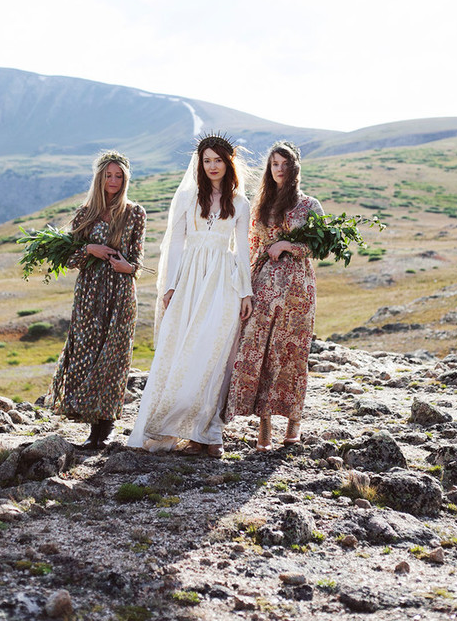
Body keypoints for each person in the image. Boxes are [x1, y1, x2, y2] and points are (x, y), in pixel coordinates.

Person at [127, 134, 252, 458]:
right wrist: (170, 286)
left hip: (223, 282)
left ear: (228, 163)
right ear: (200, 163)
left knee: (214, 356)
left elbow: (241, 251)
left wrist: (245, 293)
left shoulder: (240, 202)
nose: (212, 166)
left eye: (218, 160)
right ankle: (172, 428)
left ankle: (209, 434)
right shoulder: (188, 198)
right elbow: (177, 244)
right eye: (207, 160)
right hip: (189, 282)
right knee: (181, 352)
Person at [224, 141, 323, 450]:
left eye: (284, 164)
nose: (279, 169)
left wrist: (288, 246)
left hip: (297, 289)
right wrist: (246, 289)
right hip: (264, 286)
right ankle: (264, 422)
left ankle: (293, 422)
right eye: (274, 164)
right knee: (260, 351)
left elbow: (321, 246)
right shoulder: (262, 204)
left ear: (294, 168)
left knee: (293, 353)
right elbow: (252, 247)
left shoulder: (310, 205)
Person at [46, 150, 146, 448]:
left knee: (113, 358)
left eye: (119, 176)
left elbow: (138, 260)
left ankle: (104, 430)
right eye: (108, 175)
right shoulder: (84, 213)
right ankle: (89, 423)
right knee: (87, 352)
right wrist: (91, 249)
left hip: (120, 292)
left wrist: (127, 267)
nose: (113, 181)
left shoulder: (135, 212)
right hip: (90, 292)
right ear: (99, 177)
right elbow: (70, 258)